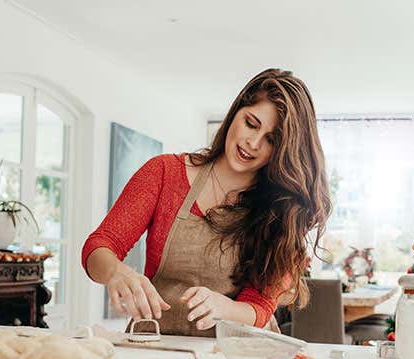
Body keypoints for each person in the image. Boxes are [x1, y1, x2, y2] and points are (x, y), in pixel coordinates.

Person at [82, 68, 331, 336]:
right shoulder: (164, 173)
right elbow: (100, 245)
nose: (253, 143)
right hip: (156, 343)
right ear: (236, 112)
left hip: (237, 355)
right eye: (251, 123)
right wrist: (116, 272)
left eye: (271, 140)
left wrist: (223, 307)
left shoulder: (282, 210)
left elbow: (260, 307)